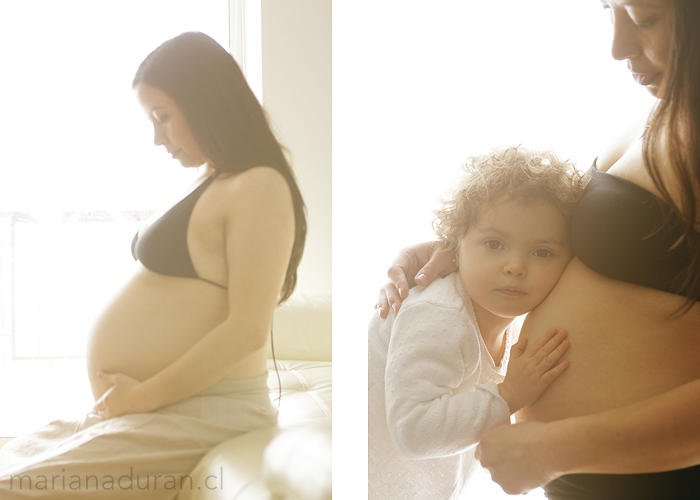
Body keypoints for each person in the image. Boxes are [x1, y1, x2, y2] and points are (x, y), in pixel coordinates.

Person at [376, 0, 700, 498]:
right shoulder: (662, 107)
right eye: (610, 10)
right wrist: (463, 247)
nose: (617, 47)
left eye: (644, 19)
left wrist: (560, 448)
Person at [0, 31, 306, 499]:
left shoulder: (259, 186)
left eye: (163, 118)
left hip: (204, 412)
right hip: (167, 407)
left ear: (207, 104)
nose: (157, 138)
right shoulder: (215, 179)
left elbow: (246, 328)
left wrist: (140, 397)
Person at [369, 146, 584, 500]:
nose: (516, 266)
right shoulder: (440, 316)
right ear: (454, 246)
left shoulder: (500, 317)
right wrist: (509, 394)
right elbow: (414, 430)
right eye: (494, 244)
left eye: (542, 252)